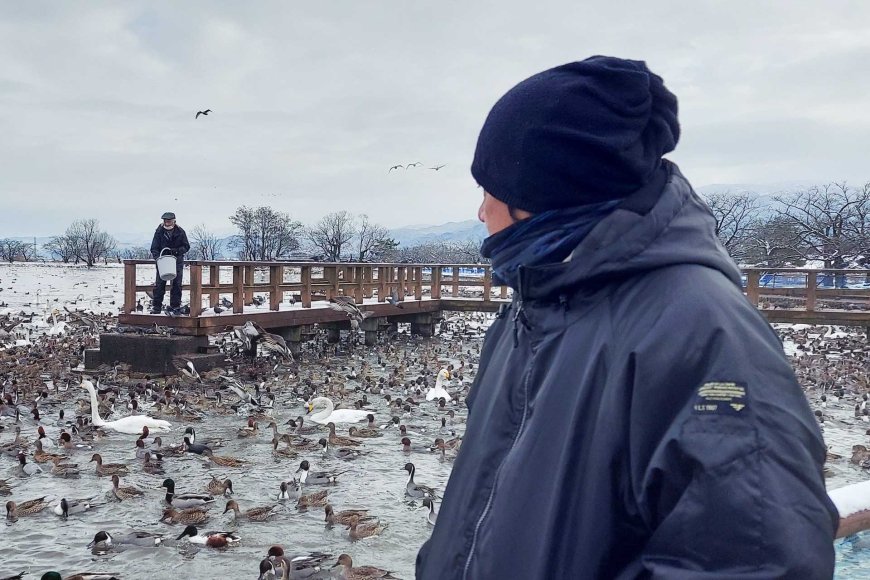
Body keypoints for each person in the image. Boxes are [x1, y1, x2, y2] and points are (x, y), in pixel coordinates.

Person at [416, 56, 837, 578]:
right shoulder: (529, 312)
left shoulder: (700, 330)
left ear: (542, 198)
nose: (481, 213)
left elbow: (757, 559)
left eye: (489, 190)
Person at [149, 211, 190, 314]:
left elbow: (186, 246)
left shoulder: (180, 232)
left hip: (177, 261)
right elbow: (154, 248)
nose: (167, 223)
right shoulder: (159, 232)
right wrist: (158, 258)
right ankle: (156, 306)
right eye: (166, 221)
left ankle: (175, 306)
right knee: (160, 284)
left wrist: (176, 251)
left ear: (174, 221)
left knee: (177, 284)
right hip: (162, 262)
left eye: (169, 221)